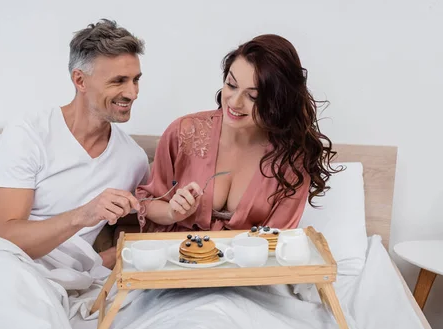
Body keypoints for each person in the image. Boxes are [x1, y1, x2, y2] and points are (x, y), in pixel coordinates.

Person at [0, 18, 149, 269]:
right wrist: (85, 214)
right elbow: (2, 237)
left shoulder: (133, 160)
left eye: (135, 80)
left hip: (65, 278)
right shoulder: (30, 132)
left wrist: (104, 260)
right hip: (4, 265)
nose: (132, 93)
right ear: (80, 81)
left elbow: (147, 219)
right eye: (118, 81)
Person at [136, 34, 339, 233]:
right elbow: (147, 202)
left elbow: (278, 239)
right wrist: (172, 212)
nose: (234, 102)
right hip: (175, 258)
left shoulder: (291, 161)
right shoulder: (184, 132)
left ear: (278, 103)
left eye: (253, 96)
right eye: (231, 85)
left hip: (248, 264)